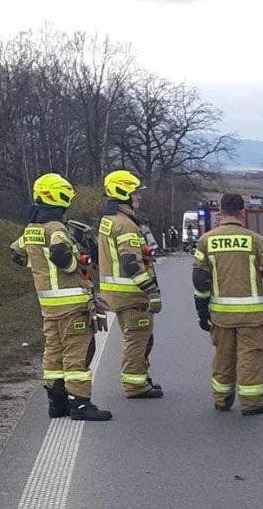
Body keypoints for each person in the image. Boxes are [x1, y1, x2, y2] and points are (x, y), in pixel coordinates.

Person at [10, 174, 112, 421]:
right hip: (71, 303)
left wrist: (38, 265)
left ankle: (57, 404)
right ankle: (80, 404)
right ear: (58, 196)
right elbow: (60, 254)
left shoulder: (32, 228)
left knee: (53, 353)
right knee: (78, 351)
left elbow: (17, 252)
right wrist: (76, 260)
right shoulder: (57, 227)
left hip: (48, 305)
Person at [192, 193, 263, 415]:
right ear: (242, 213)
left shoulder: (206, 241)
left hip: (220, 314)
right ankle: (251, 403)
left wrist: (201, 311)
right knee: (250, 356)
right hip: (251, 315)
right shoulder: (255, 240)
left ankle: (221, 399)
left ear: (220, 213)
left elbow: (200, 278)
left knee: (223, 356)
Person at [97, 169, 163, 399]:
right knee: (137, 338)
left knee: (142, 337)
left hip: (116, 293)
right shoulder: (125, 225)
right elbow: (130, 262)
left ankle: (142, 377)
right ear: (123, 193)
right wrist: (151, 290)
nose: (139, 197)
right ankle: (136, 385)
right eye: (135, 193)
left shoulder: (109, 220)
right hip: (131, 294)